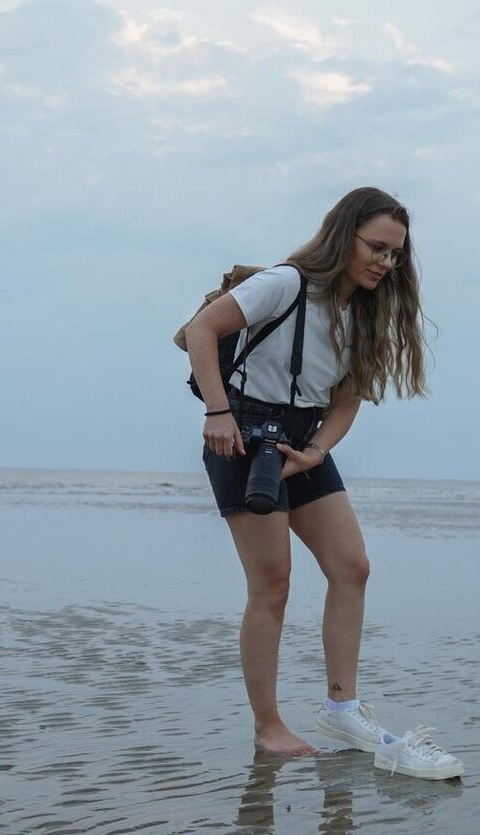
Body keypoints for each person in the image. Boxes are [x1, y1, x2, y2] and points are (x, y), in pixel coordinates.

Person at [185, 186, 461, 771]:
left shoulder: (362, 314)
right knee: (273, 585)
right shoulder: (285, 285)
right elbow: (202, 330)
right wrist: (217, 411)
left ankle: (342, 706)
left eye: (395, 256)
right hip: (241, 433)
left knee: (352, 567)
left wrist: (316, 451)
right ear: (345, 235)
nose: (386, 263)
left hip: (304, 441)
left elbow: (346, 401)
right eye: (377, 248)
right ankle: (268, 726)